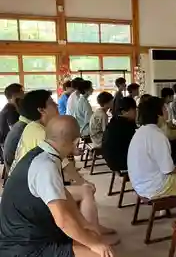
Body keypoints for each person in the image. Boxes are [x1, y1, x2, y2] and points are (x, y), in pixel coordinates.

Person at [0, 115, 113, 257]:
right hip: (25, 255)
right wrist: (94, 244)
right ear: (77, 142)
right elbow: (63, 220)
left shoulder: (42, 155)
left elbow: (64, 196)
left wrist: (85, 224)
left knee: (90, 237)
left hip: (23, 242)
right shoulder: (46, 166)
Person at [11, 90, 117, 241]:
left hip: (27, 188)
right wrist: (83, 182)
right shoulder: (40, 132)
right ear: (42, 110)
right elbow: (66, 166)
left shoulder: (33, 127)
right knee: (85, 190)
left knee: (73, 191)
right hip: (30, 194)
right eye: (52, 103)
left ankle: (88, 229)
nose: (56, 105)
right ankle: (93, 236)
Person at [127, 97, 176, 200]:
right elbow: (168, 170)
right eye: (165, 109)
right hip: (155, 188)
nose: (167, 111)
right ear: (158, 114)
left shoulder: (141, 131)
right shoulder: (157, 135)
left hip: (140, 184)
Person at [3, 93, 40, 171]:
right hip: (17, 172)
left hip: (15, 169)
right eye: (52, 103)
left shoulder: (22, 124)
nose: (56, 105)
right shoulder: (29, 128)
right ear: (40, 109)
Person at [102, 97, 137, 172]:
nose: (136, 113)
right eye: (134, 110)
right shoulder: (126, 125)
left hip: (110, 160)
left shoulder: (115, 120)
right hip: (120, 162)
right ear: (124, 111)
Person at [0, 83, 24, 149]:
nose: (24, 96)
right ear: (15, 95)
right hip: (9, 146)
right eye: (22, 93)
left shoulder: (8, 108)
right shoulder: (11, 110)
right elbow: (15, 131)